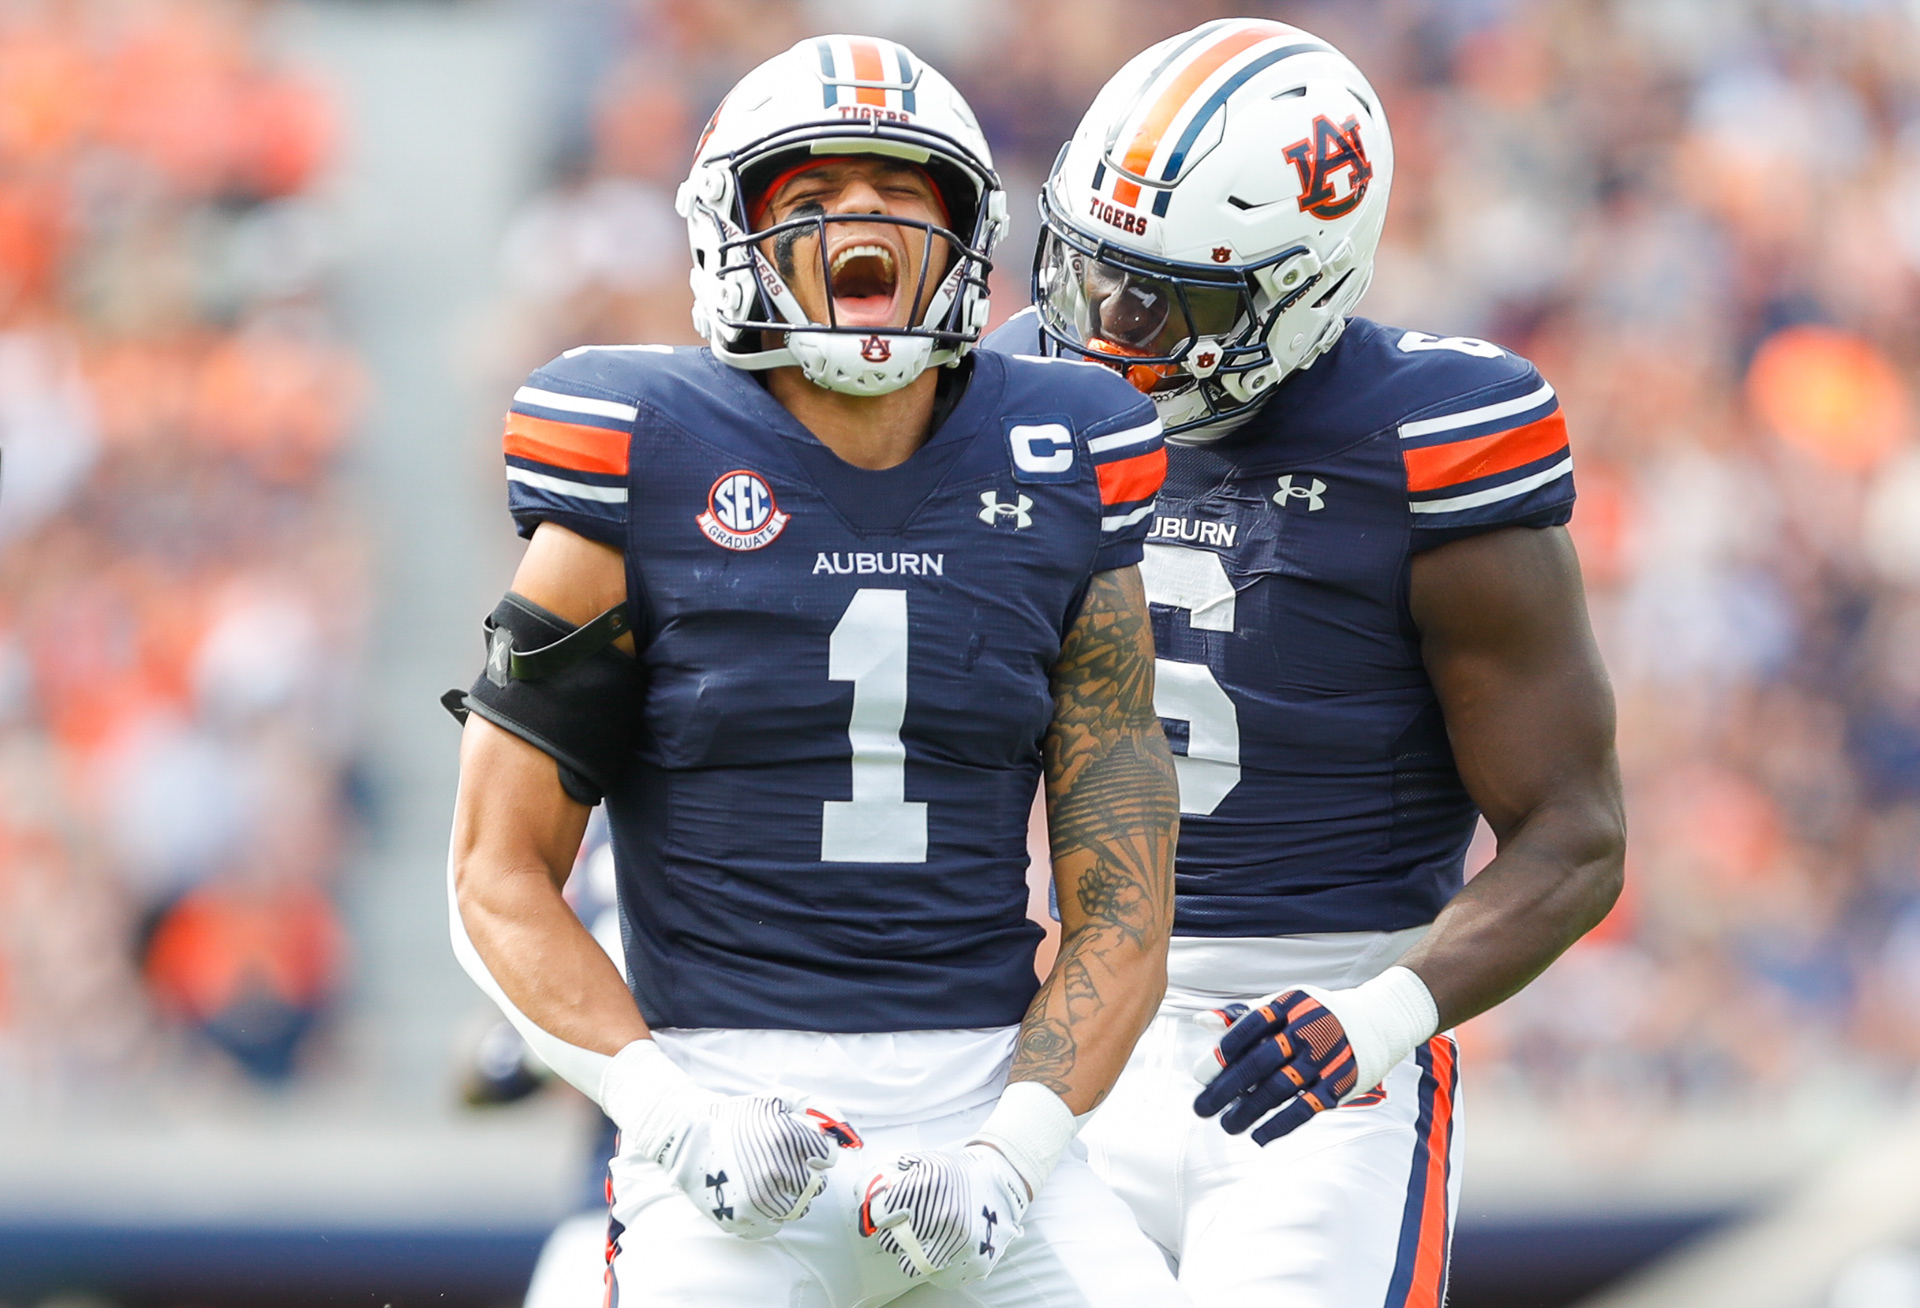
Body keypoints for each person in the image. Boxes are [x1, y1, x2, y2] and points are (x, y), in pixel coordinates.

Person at [445, 35, 1192, 1308]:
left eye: (903, 191)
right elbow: (493, 871)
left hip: (984, 1117)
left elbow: (1125, 903)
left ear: (967, 234)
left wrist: (1014, 1155)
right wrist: (673, 1118)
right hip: (725, 1129)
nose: (864, 217)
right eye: (812, 195)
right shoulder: (638, 452)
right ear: (731, 232)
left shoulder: (1065, 456)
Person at [984, 18, 1626, 1307]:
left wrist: (1376, 1018)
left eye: (1172, 297)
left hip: (1324, 1055)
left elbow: (1575, 835)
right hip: (1067, 1027)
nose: (1111, 328)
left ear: (1306, 287)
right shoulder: (1015, 402)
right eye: (1098, 273)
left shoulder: (1428, 439)